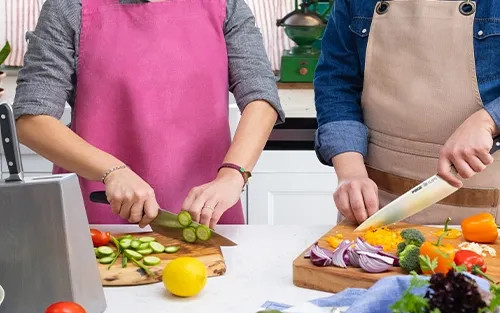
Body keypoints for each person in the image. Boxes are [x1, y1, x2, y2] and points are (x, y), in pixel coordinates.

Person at [13, 0, 284, 228]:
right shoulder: (70, 7)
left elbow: (261, 96)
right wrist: (113, 172)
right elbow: (32, 119)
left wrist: (233, 175)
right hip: (99, 217)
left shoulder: (226, 5)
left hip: (207, 216)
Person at [314, 0, 500, 225]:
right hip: (377, 211)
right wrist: (351, 173)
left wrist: (488, 120)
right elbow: (336, 81)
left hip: (487, 214)